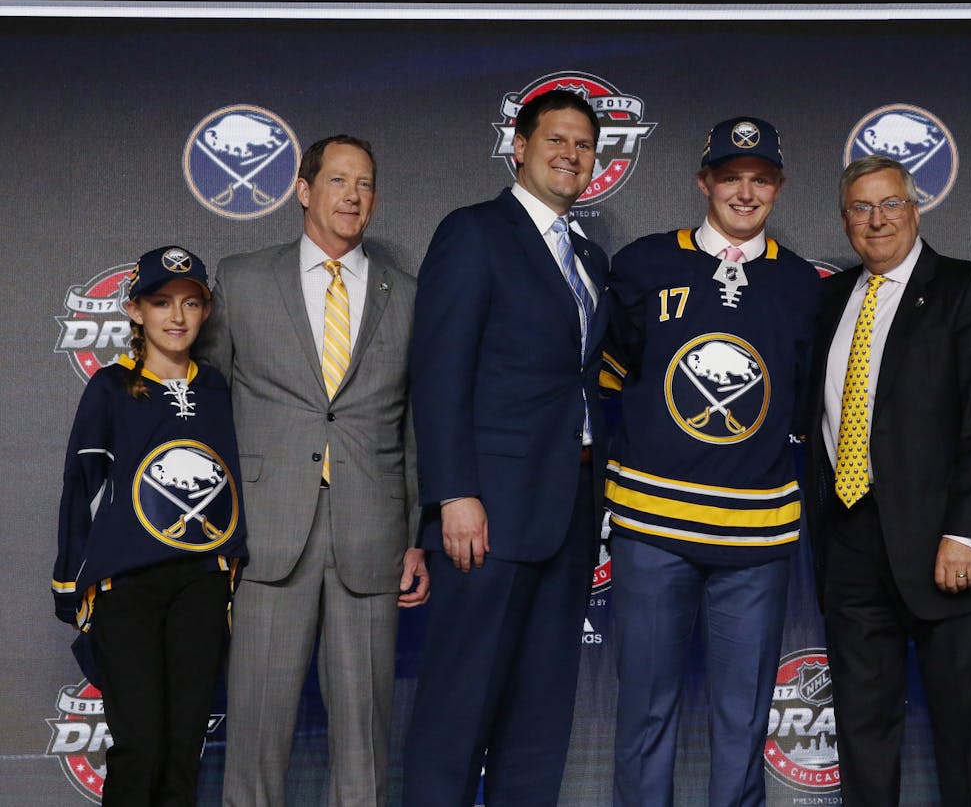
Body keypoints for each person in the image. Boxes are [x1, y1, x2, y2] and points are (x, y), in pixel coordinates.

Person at [199, 135, 428, 807]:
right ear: (304, 190)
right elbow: (205, 412)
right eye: (337, 180)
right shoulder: (240, 278)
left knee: (365, 734)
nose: (352, 195)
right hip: (267, 534)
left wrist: (415, 533)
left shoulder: (409, 294)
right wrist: (217, 526)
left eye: (364, 183)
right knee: (257, 727)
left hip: (373, 532)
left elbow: (416, 426)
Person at [602, 116, 820, 807]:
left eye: (760, 179)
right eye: (731, 176)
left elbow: (806, 406)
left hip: (755, 539)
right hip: (651, 529)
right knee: (645, 712)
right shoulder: (643, 264)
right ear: (704, 182)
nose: (745, 191)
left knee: (740, 720)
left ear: (778, 188)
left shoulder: (805, 287)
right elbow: (611, 382)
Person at [403, 89, 609, 806]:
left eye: (583, 143)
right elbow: (439, 372)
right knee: (458, 711)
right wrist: (454, 493)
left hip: (572, 508)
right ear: (518, 146)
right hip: (486, 514)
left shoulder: (589, 256)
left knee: (540, 718)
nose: (570, 153)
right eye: (555, 138)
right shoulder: (475, 232)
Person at [805, 155, 971, 806]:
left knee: (968, 737)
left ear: (915, 209)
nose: (877, 220)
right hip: (849, 544)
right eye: (862, 208)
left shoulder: (968, 288)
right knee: (864, 734)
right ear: (845, 221)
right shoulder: (830, 297)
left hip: (944, 547)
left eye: (890, 204)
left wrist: (966, 531)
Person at [53, 245, 246, 806]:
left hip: (201, 586)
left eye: (191, 303)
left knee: (185, 748)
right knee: (138, 746)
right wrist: (70, 584)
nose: (178, 317)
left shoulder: (218, 389)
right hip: (126, 588)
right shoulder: (110, 387)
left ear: (207, 311)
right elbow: (80, 488)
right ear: (135, 311)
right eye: (161, 302)